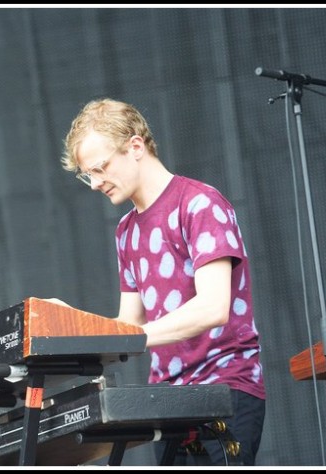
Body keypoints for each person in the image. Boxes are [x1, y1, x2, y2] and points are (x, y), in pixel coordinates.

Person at [57, 98, 265, 466]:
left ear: (135, 147)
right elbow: (128, 327)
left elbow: (213, 308)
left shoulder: (200, 204)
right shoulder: (125, 231)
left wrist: (132, 337)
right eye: (87, 174)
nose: (94, 184)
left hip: (224, 389)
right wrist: (73, 324)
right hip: (168, 402)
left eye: (100, 168)